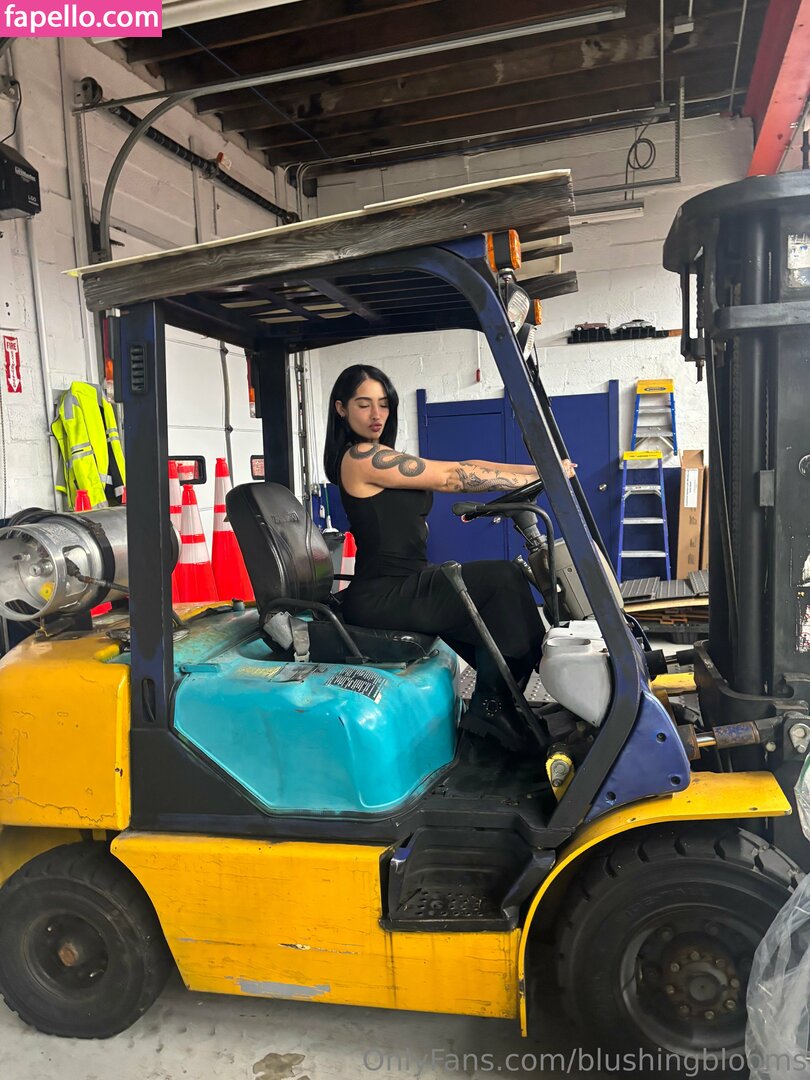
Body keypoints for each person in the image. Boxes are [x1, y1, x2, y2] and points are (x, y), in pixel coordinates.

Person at [323, 364, 576, 749]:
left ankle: (502, 700)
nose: (376, 414)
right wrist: (544, 475)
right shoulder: (360, 457)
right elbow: (451, 476)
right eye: (364, 404)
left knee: (503, 596)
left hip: (406, 581)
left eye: (384, 404)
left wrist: (541, 470)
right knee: (502, 581)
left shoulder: (383, 454)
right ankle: (491, 707)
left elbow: (467, 465)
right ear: (341, 409)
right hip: (382, 594)